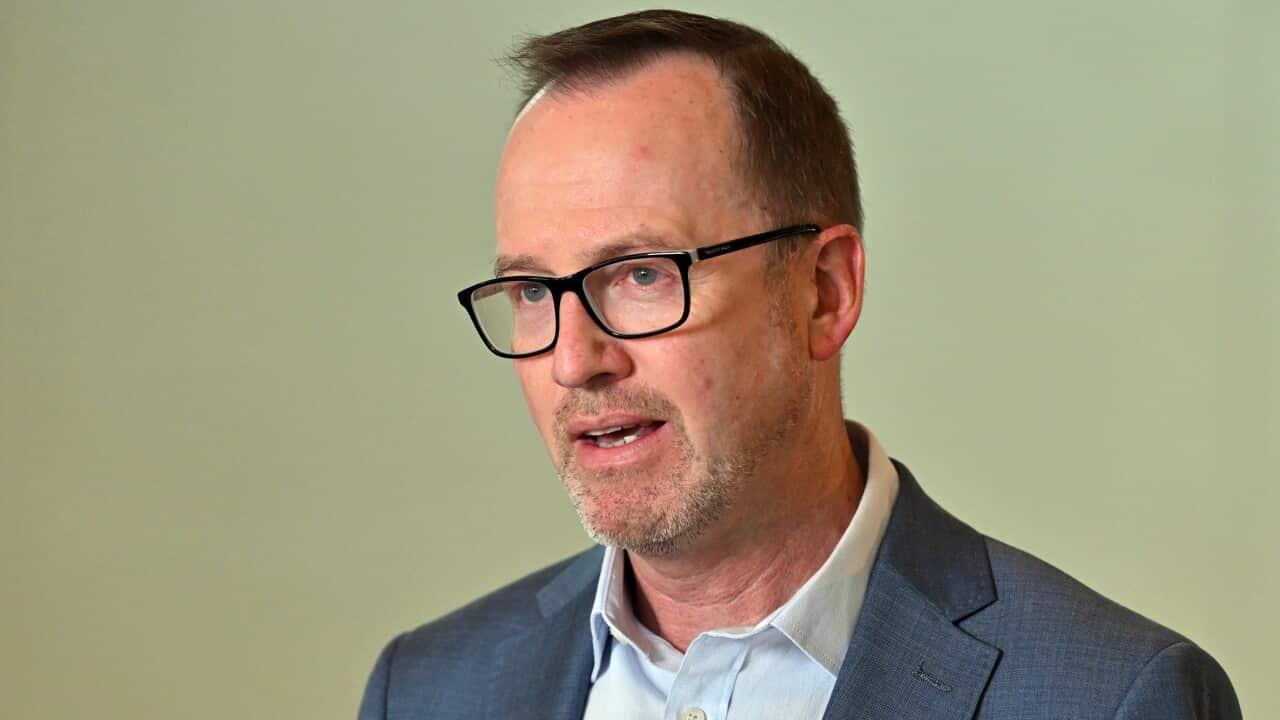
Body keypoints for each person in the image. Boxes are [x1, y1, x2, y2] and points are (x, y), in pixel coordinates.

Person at [358, 9, 1240, 719]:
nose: (574, 360)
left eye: (640, 275)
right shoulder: (428, 690)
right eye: (533, 292)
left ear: (824, 291)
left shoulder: (1117, 698)